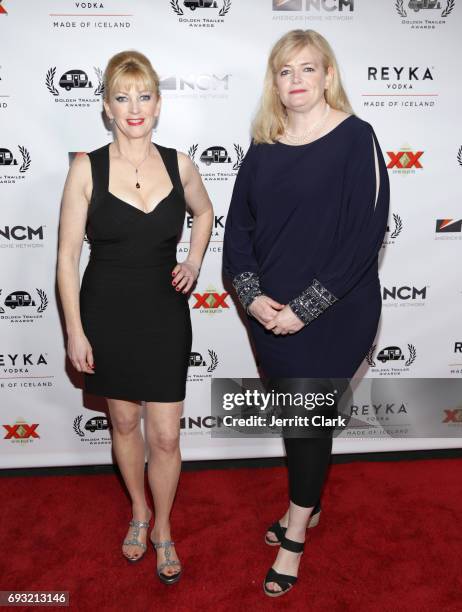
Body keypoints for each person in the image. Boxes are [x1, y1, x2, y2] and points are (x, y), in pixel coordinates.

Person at [223, 29, 389, 597]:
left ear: (328, 76)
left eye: (307, 69)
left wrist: (306, 308)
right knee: (300, 421)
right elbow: (238, 232)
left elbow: (366, 236)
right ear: (274, 81)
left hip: (337, 311)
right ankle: (309, 503)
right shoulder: (262, 144)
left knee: (308, 417)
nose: (296, 80)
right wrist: (251, 297)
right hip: (270, 314)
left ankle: (295, 534)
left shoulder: (355, 137)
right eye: (284, 71)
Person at [57, 50, 213, 585]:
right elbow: (66, 258)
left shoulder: (180, 164)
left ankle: (164, 526)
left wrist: (193, 259)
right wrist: (75, 331)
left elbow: (206, 212)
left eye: (143, 95)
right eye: (122, 97)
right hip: (107, 312)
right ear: (106, 107)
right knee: (124, 422)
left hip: (164, 313)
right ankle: (139, 513)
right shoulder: (87, 168)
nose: (134, 107)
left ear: (158, 103)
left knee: (166, 436)